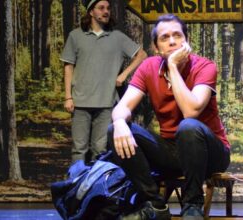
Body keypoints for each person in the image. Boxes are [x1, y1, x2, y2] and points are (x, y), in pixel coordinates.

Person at [109, 14, 231, 220]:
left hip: (211, 153)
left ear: (186, 41)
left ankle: (192, 205)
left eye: (177, 35)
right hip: (173, 151)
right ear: (157, 48)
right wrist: (119, 122)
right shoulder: (149, 67)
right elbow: (122, 107)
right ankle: (154, 205)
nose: (173, 41)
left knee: (189, 126)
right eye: (165, 38)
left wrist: (173, 66)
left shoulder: (204, 66)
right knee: (116, 129)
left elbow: (190, 111)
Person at [61, 0, 147, 163]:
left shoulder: (117, 37)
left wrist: (123, 76)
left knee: (100, 150)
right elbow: (68, 67)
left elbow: (141, 55)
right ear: (91, 12)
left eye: (108, 8)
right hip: (80, 101)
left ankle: (96, 186)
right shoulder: (76, 36)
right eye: (101, 8)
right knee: (79, 149)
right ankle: (76, 186)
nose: (106, 11)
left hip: (107, 103)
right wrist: (68, 97)